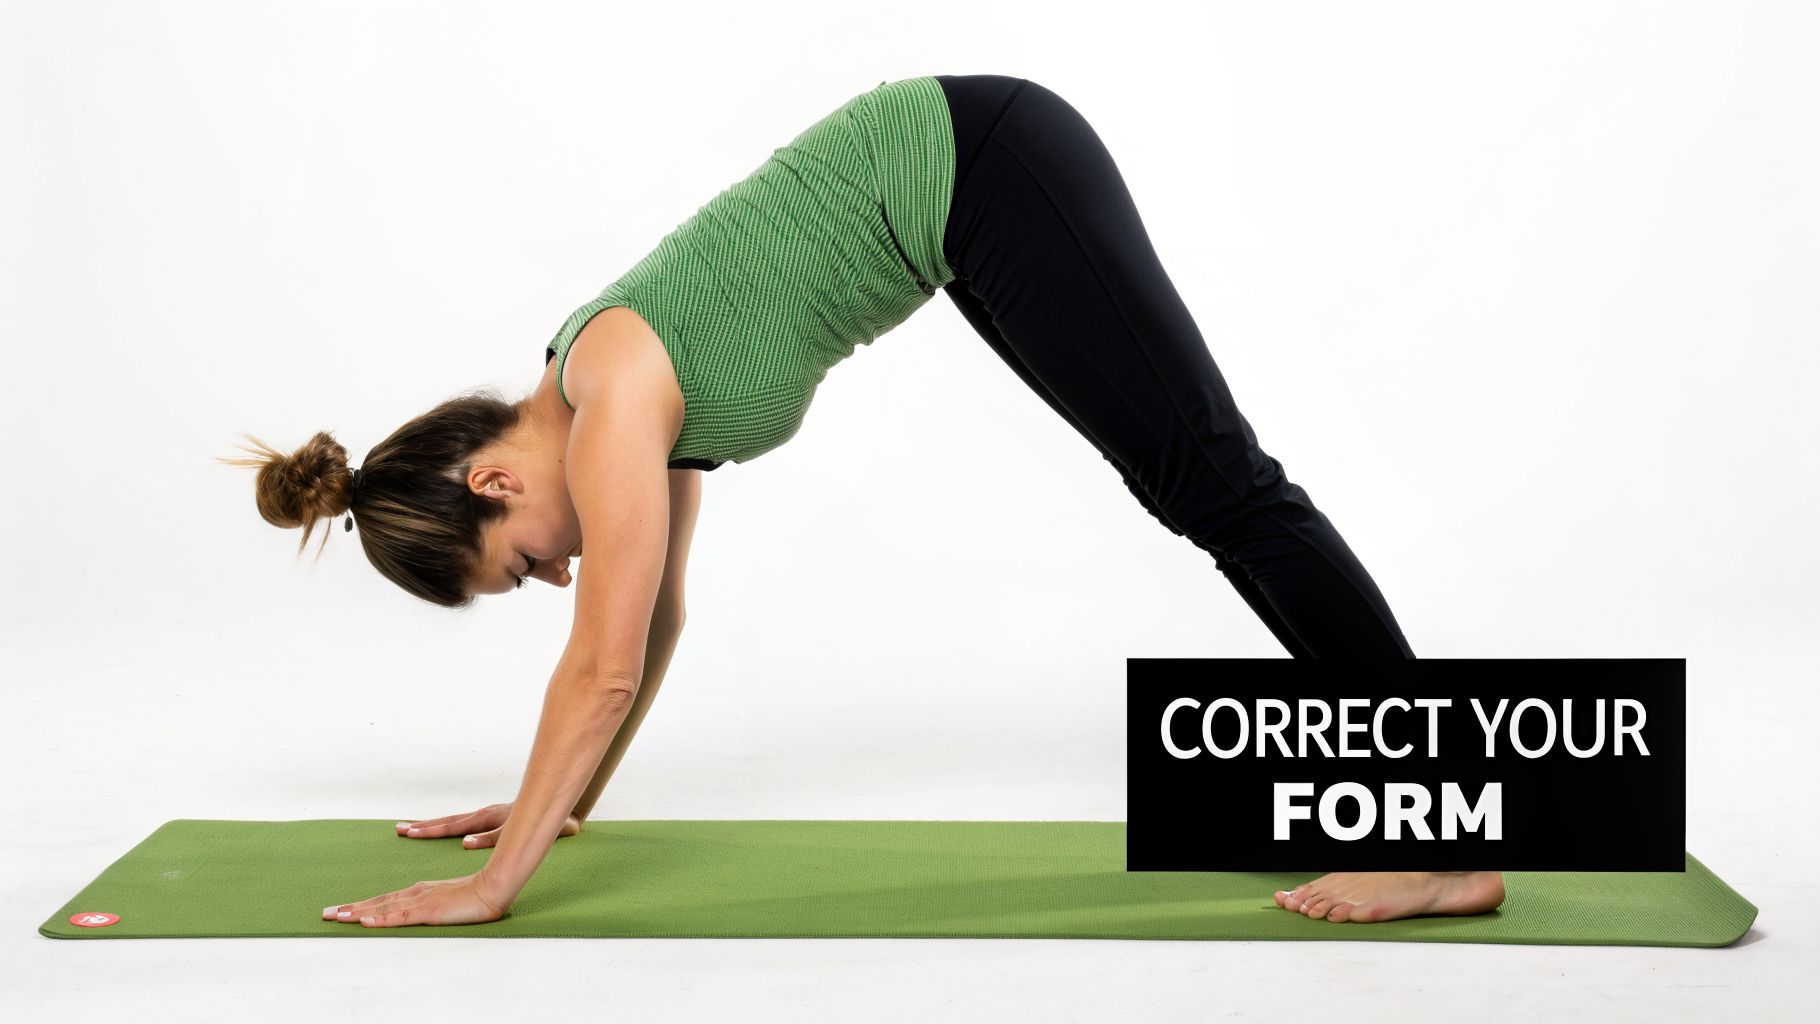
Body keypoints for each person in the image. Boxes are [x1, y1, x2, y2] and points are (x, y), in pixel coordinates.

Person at [225, 74, 1504, 929]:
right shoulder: (610, 390)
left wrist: (497, 882)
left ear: (493, 480)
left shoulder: (609, 381)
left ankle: (1439, 840)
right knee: (1201, 490)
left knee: (1220, 485)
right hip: (969, 201)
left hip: (987, 161)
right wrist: (564, 798)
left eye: (515, 565)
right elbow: (654, 616)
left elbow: (601, 656)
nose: (552, 578)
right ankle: (1428, 814)